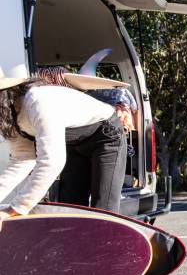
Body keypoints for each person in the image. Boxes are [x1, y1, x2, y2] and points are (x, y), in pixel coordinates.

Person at [0, 69, 127, 231]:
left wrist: (16, 209)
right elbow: (22, 159)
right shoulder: (11, 117)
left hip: (106, 137)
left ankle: (107, 252)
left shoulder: (37, 102)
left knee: (102, 213)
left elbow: (51, 162)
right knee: (71, 211)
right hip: (74, 144)